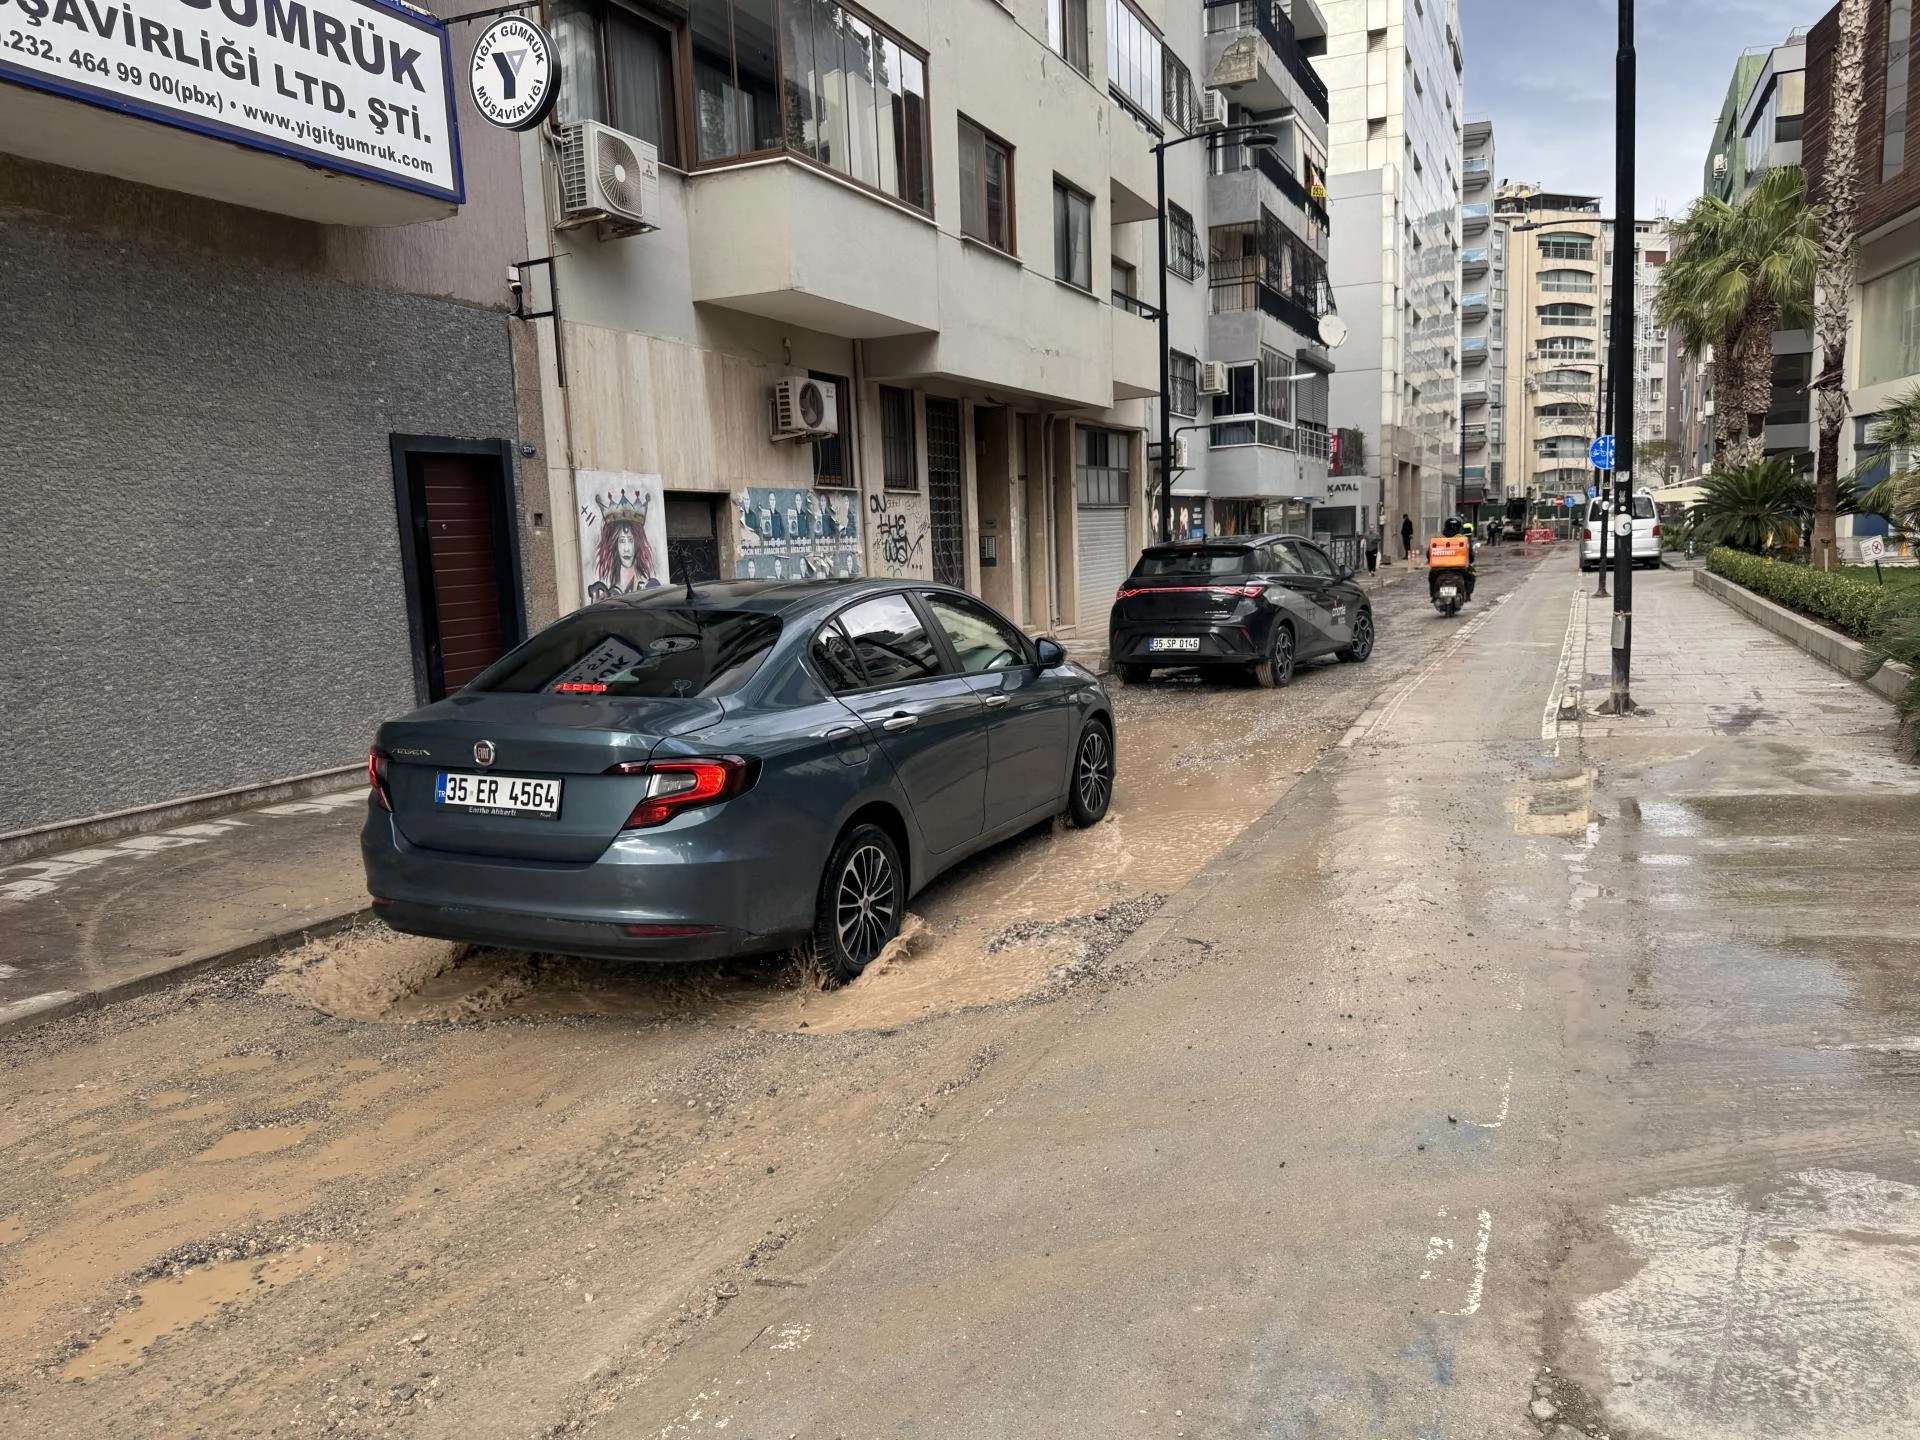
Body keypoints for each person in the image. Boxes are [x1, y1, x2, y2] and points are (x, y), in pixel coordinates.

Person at [1428, 516, 1476, 603]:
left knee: (1432, 576)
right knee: (1471, 576)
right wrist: (1471, 560)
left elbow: (1429, 553)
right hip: (1460, 569)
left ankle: (1433, 596)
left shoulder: (1439, 539)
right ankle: (1467, 595)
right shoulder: (1463, 540)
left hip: (1439, 569)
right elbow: (1470, 555)